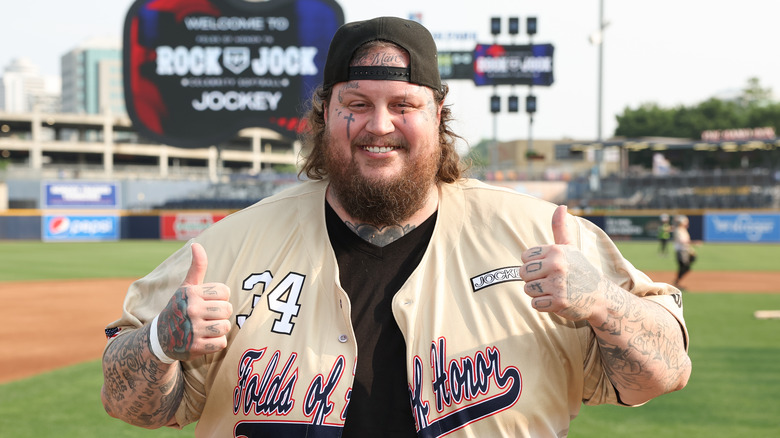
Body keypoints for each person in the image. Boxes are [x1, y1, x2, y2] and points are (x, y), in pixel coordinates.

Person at [101, 16, 691, 437]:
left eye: (403, 106)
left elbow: (662, 376)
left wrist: (602, 304)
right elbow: (131, 404)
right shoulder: (229, 246)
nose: (378, 125)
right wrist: (159, 344)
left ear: (438, 114)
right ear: (324, 114)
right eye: (355, 103)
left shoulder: (540, 233)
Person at [673, 215, 695, 290]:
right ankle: (677, 283)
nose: (687, 223)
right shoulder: (679, 230)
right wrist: (694, 243)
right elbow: (683, 241)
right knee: (684, 267)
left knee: (687, 266)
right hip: (681, 251)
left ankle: (677, 282)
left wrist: (690, 249)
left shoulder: (682, 230)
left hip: (685, 251)